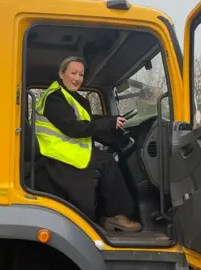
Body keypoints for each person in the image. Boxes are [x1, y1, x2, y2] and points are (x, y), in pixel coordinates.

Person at [34, 56, 142, 232]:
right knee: (107, 162)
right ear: (61, 74)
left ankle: (107, 218)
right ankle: (119, 216)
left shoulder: (70, 97)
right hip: (55, 157)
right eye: (73, 73)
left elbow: (88, 121)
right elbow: (74, 128)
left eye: (81, 74)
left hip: (64, 151)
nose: (77, 78)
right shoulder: (55, 98)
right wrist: (108, 123)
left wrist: (112, 122)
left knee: (105, 159)